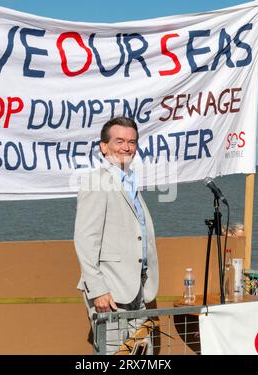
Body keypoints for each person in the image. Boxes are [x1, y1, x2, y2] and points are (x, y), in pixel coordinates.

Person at [74, 116, 159, 354]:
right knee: (114, 354)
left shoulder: (130, 183)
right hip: (110, 293)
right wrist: (98, 289)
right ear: (104, 147)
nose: (127, 147)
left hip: (137, 290)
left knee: (141, 356)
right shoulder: (96, 182)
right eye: (119, 140)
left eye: (132, 142)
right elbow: (85, 239)